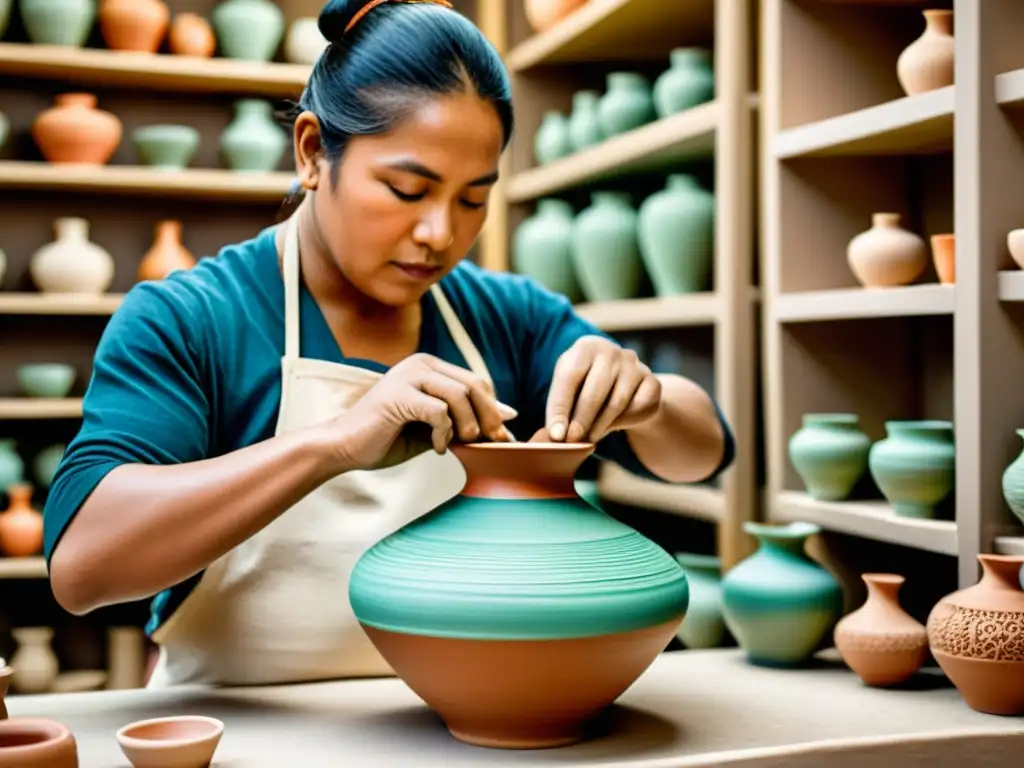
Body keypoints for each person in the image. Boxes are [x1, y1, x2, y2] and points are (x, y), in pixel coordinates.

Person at [42, 0, 735, 688]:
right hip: (238, 734)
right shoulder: (193, 318)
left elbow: (700, 453)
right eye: (408, 190)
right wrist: (334, 445)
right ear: (313, 153)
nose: (440, 234)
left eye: (472, 199)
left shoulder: (506, 316)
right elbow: (83, 567)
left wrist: (647, 400)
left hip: (456, 730)